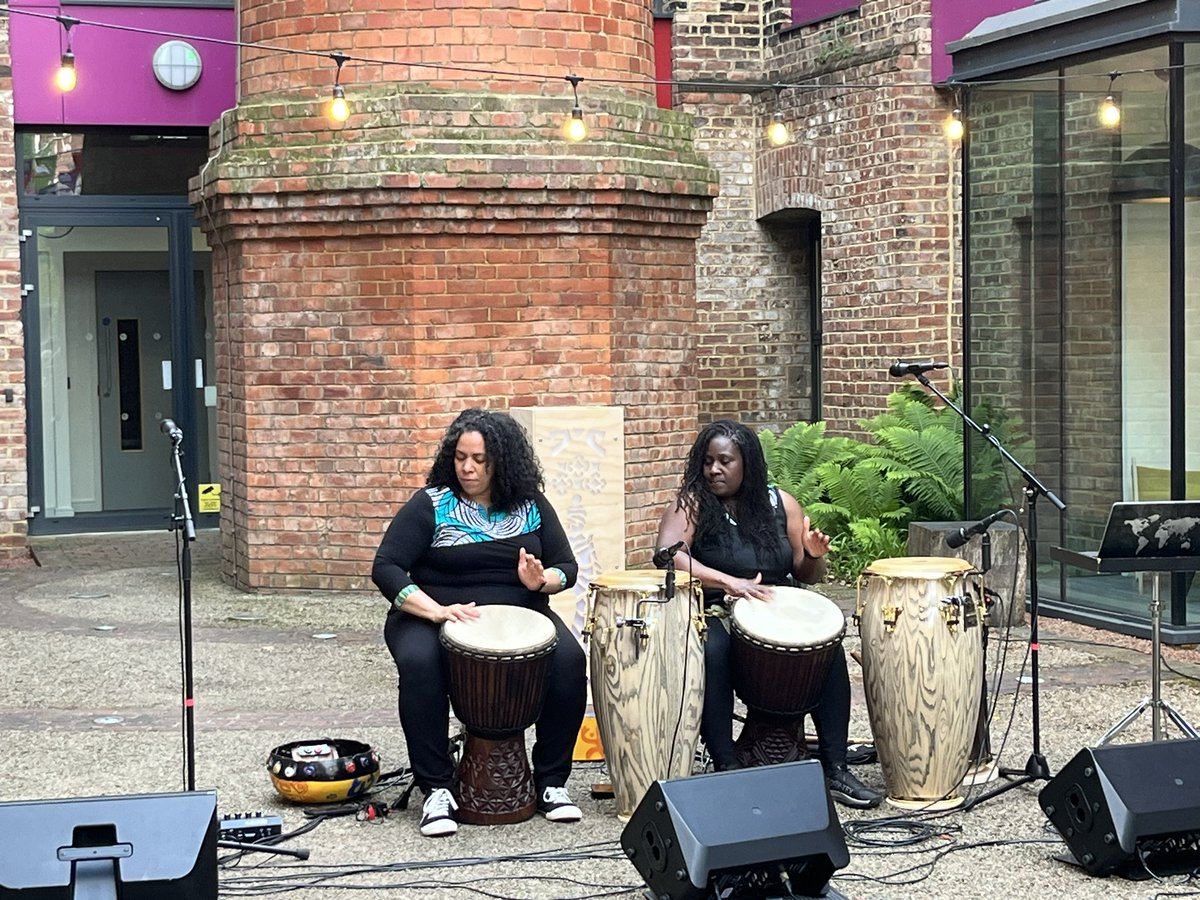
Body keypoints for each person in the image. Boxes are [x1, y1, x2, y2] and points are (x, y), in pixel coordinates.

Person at [372, 409, 588, 836]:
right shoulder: (432, 504)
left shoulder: (531, 505)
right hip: (433, 614)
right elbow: (387, 567)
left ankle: (550, 782)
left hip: (519, 614)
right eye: (460, 457)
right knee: (420, 663)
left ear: (502, 462)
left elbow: (568, 566)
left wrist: (542, 580)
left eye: (480, 460)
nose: (467, 468)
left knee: (569, 662)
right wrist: (434, 610)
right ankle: (436, 788)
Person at [655, 419, 883, 809]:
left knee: (829, 648)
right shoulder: (692, 503)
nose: (714, 470)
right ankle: (725, 764)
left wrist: (812, 554)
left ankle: (835, 767)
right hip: (717, 608)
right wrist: (730, 583)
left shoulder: (781, 503)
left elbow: (806, 573)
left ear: (748, 464)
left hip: (778, 606)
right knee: (713, 649)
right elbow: (667, 555)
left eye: (725, 461)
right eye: (708, 461)